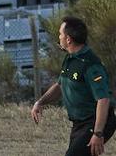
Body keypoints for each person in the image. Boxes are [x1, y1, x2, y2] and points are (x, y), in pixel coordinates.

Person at [31, 17, 116, 156]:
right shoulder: (70, 59)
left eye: (60, 34)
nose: (59, 37)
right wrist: (40, 102)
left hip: (95, 122)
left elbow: (103, 99)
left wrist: (98, 133)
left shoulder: (90, 64)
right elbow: (60, 85)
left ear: (69, 39)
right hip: (79, 124)